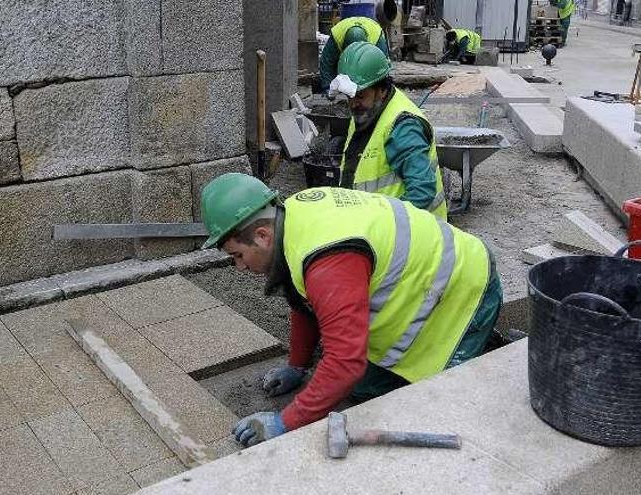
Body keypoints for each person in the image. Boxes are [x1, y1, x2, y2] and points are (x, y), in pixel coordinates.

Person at [198, 173, 503, 447]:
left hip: (465, 292)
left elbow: (345, 361)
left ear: (263, 235)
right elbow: (307, 303)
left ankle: (491, 347)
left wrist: (284, 422)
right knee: (363, 389)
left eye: (237, 255)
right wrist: (297, 364)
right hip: (425, 285)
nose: (239, 267)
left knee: (431, 404)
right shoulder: (293, 217)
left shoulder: (328, 261)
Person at [327, 42, 447, 220]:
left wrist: (384, 225)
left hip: (408, 236)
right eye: (349, 96)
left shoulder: (403, 127)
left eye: (360, 96)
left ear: (382, 90)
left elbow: (422, 191)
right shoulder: (367, 111)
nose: (353, 104)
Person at [319, 16, 390, 92]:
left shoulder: (376, 38)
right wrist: (327, 87)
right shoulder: (336, 37)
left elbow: (383, 67)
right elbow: (326, 63)